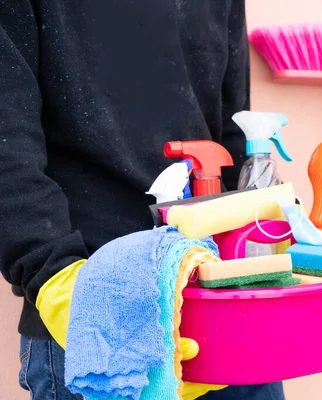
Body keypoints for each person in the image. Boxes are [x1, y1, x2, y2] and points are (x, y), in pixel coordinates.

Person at [0, 0, 285, 399]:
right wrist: (55, 276)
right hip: (95, 313)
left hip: (220, 308)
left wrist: (260, 253)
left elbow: (232, 130)